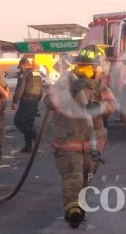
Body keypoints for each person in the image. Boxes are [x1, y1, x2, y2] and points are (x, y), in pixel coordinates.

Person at [44, 45, 116, 228]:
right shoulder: (66, 82)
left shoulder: (99, 85)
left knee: (86, 180)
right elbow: (49, 101)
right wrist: (70, 92)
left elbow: (111, 104)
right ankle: (72, 212)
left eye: (89, 67)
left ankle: (78, 208)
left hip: (92, 146)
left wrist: (98, 107)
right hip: (68, 144)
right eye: (82, 66)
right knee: (73, 178)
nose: (85, 71)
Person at [11, 57, 43, 153]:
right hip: (35, 101)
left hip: (26, 101)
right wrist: (36, 100)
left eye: (20, 67)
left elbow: (20, 88)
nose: (20, 69)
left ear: (23, 65)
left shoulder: (24, 74)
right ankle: (28, 147)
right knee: (29, 123)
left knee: (18, 121)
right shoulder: (38, 75)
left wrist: (14, 101)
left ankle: (34, 135)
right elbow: (41, 91)